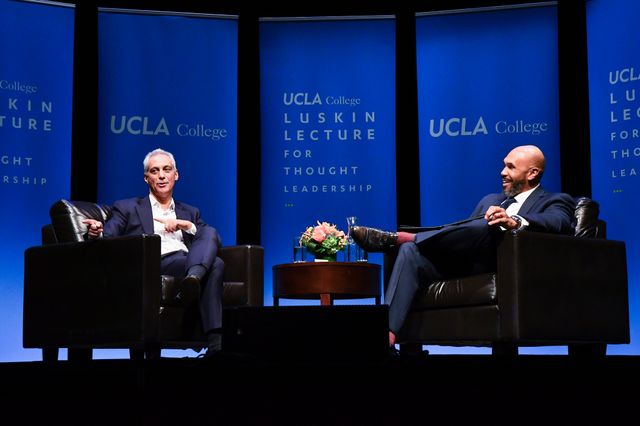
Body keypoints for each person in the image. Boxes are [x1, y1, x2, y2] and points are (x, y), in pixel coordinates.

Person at [351, 145, 576, 349]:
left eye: (510, 167)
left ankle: (404, 237)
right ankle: (386, 338)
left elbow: (559, 222)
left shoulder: (554, 200)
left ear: (532, 173)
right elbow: (465, 238)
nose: (502, 172)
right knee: (411, 251)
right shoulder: (491, 199)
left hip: (504, 267)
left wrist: (512, 221)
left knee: (491, 225)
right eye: (503, 165)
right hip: (466, 263)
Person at [83, 148, 224, 357]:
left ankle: (193, 279)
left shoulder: (190, 212)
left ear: (176, 175)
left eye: (167, 170)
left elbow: (210, 241)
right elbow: (109, 238)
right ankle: (215, 344)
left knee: (209, 235)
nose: (161, 175)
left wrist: (187, 227)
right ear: (146, 178)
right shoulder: (127, 207)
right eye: (154, 171)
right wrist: (96, 232)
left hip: (186, 261)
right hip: (153, 263)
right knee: (216, 265)